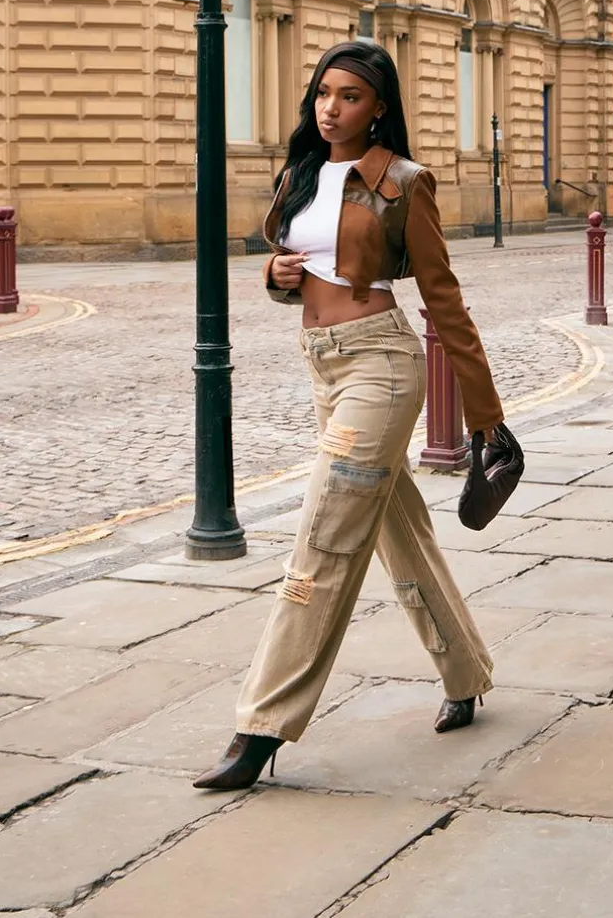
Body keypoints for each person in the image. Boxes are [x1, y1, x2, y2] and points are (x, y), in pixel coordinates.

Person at [193, 41, 504, 792]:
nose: (331, 108)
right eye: (324, 93)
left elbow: (444, 299)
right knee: (400, 532)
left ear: (380, 107)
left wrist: (485, 417)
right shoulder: (301, 173)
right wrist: (274, 274)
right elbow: (293, 271)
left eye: (350, 96)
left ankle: (260, 725)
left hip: (382, 366)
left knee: (324, 537)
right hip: (323, 365)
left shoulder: (403, 183)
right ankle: (465, 670)